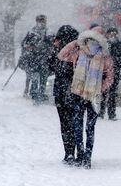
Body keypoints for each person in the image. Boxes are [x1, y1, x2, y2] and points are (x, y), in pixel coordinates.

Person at [58, 29, 114, 169]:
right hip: (86, 96)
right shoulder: (88, 53)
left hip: (86, 96)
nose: (91, 42)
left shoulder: (94, 54)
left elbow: (62, 55)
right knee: (85, 127)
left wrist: (98, 88)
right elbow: (62, 55)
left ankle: (84, 156)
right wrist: (75, 43)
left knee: (83, 127)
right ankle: (84, 156)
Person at [48, 25, 79, 165]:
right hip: (76, 91)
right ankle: (79, 151)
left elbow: (50, 66)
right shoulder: (79, 50)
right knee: (75, 122)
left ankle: (69, 152)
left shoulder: (57, 51)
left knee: (65, 123)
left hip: (60, 91)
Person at [18, 14, 49, 104]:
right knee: (35, 77)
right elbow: (23, 44)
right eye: (40, 21)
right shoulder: (31, 32)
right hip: (33, 59)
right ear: (37, 21)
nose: (42, 23)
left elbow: (52, 44)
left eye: (43, 21)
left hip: (44, 59)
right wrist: (28, 47)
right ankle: (34, 94)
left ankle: (41, 94)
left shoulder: (48, 32)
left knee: (43, 78)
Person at [98, 27, 121, 121]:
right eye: (111, 34)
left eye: (115, 34)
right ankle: (101, 112)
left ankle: (111, 113)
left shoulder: (119, 44)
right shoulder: (103, 44)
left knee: (113, 94)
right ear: (107, 34)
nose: (113, 36)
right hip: (105, 72)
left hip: (115, 71)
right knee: (103, 93)